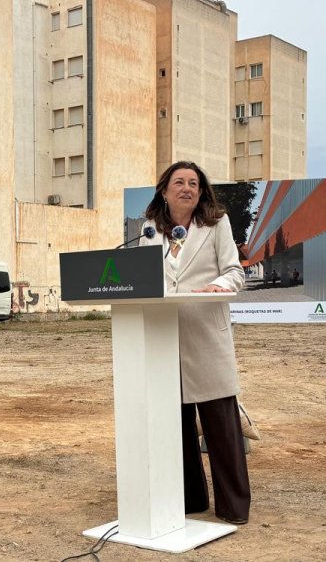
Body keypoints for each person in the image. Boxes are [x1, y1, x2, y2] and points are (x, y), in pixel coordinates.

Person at [140, 160, 249, 525]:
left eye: (193, 183)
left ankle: (234, 507)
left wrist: (218, 286)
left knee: (222, 428)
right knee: (178, 428)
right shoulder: (150, 231)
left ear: (201, 191)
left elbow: (235, 271)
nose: (187, 188)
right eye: (179, 182)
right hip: (164, 337)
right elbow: (143, 278)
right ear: (164, 190)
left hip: (206, 334)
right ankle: (191, 500)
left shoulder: (216, 224)